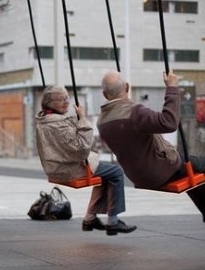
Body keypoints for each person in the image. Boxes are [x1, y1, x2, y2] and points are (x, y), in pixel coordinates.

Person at [98, 70, 205, 223]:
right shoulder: (135, 113)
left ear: (104, 94)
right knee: (200, 165)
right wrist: (172, 88)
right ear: (127, 88)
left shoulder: (102, 121)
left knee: (194, 178)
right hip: (162, 171)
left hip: (138, 176)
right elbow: (169, 122)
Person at [36, 85, 136, 235]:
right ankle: (113, 222)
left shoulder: (44, 120)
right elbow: (82, 148)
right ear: (50, 103)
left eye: (67, 98)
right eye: (61, 99)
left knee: (103, 175)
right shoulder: (57, 124)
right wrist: (82, 118)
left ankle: (90, 218)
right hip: (70, 169)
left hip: (57, 167)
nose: (66, 102)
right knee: (115, 172)